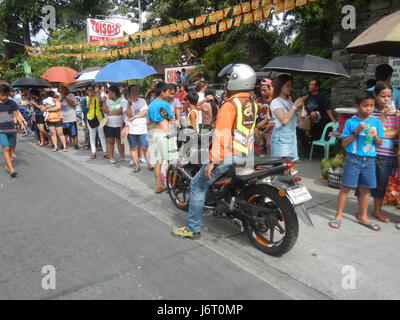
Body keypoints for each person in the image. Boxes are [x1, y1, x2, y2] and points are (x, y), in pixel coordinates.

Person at [172, 63, 258, 240]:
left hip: (229, 155)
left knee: (197, 185)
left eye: (228, 80)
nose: (225, 84)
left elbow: (221, 136)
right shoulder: (251, 103)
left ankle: (192, 228)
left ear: (236, 80)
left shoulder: (230, 105)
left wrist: (212, 161)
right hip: (246, 154)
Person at [329, 90, 384, 231]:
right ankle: (338, 215)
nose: (369, 109)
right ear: (357, 106)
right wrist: (356, 131)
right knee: (345, 188)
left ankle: (363, 216)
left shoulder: (376, 122)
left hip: (370, 161)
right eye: (366, 105)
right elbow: (344, 143)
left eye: (372, 105)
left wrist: (376, 136)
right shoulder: (350, 122)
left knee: (366, 190)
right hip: (353, 159)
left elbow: (379, 143)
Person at [354, 84, 399, 223]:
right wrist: (383, 118)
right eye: (383, 96)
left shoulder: (397, 113)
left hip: (386, 154)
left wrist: (379, 134)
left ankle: (377, 211)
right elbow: (369, 131)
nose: (386, 99)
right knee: (363, 183)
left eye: (389, 96)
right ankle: (362, 211)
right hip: (369, 153)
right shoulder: (370, 112)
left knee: (381, 182)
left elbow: (395, 133)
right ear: (376, 96)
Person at [147, 82, 179, 193]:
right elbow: (171, 119)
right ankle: (171, 185)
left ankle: (158, 186)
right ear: (163, 92)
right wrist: (177, 123)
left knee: (158, 161)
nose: (169, 94)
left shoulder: (151, 104)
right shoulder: (165, 104)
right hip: (165, 135)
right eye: (168, 92)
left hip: (156, 134)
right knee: (172, 160)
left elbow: (148, 121)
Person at [269, 74, 307, 161]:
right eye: (288, 86)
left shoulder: (289, 101)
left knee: (290, 168)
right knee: (282, 168)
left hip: (291, 138)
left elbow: (296, 121)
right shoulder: (276, 102)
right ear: (280, 86)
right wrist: (294, 106)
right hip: (281, 141)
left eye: (291, 86)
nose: (290, 88)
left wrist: (301, 108)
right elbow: (284, 120)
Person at [122, 85, 153, 173]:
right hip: (131, 129)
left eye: (136, 91)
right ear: (129, 93)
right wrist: (128, 103)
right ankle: (136, 166)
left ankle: (149, 164)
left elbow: (145, 112)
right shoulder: (125, 102)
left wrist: (134, 117)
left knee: (145, 147)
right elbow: (128, 115)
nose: (136, 93)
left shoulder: (142, 101)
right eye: (133, 91)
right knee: (133, 148)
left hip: (142, 129)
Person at [0, 84, 26, 177]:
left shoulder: (11, 103)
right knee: (6, 148)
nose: (5, 97)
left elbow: (17, 114)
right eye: (3, 95)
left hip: (11, 129)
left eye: (7, 95)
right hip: (1, 130)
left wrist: (22, 123)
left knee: (10, 147)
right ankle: (11, 169)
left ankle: (7, 165)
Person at [81, 86, 108, 160]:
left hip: (99, 118)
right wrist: (89, 103)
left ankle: (105, 152)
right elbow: (84, 111)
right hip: (90, 118)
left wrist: (101, 100)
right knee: (92, 136)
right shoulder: (84, 99)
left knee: (102, 135)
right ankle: (93, 152)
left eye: (92, 90)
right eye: (89, 90)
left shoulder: (97, 97)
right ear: (86, 91)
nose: (91, 91)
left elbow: (102, 106)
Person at [102, 86, 125, 164]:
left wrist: (110, 113)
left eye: (111, 92)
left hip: (119, 125)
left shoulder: (122, 100)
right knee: (110, 141)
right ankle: (111, 157)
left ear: (115, 92)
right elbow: (105, 111)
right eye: (108, 92)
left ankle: (122, 156)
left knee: (120, 141)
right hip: (109, 124)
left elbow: (121, 111)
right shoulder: (107, 101)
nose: (109, 94)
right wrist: (104, 102)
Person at [255, 78, 274, 154]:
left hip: (270, 129)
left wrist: (266, 110)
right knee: (259, 151)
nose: (262, 92)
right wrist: (256, 106)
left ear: (270, 89)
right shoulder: (258, 100)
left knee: (270, 150)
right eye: (261, 90)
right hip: (259, 129)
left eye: (265, 90)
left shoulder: (274, 101)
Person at [59, 84, 79, 150]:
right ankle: (64, 144)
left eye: (62, 88)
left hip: (71, 118)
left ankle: (76, 144)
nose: (61, 90)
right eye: (60, 88)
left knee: (73, 132)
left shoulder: (72, 95)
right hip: (63, 118)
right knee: (65, 132)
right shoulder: (60, 96)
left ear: (66, 89)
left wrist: (65, 97)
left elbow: (73, 104)